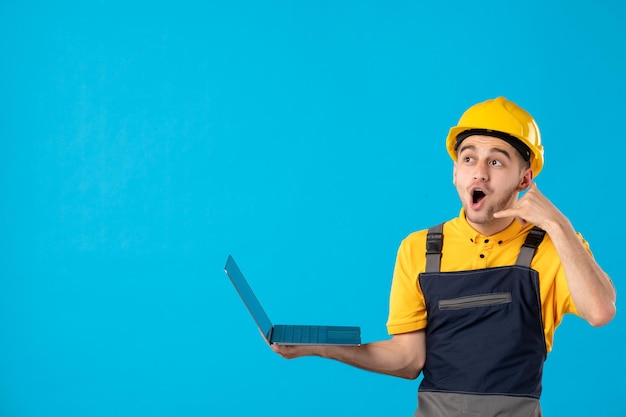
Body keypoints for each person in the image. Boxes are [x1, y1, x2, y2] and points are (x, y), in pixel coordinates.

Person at [271, 96, 616, 416]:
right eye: (469, 158)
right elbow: (408, 360)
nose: (480, 171)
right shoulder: (419, 248)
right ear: (455, 173)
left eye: (496, 161)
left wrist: (558, 224)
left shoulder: (553, 245)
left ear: (524, 178)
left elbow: (600, 311)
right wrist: (318, 347)